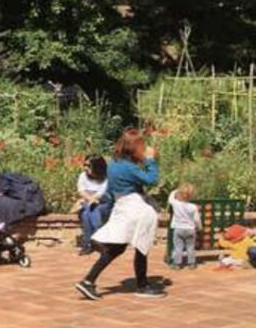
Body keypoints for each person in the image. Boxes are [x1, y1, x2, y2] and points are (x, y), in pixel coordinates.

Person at [73, 129, 164, 301]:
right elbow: (152, 180)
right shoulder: (128, 167)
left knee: (117, 248)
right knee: (141, 245)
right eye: (141, 146)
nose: (143, 149)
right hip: (135, 209)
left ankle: (88, 281)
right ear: (133, 147)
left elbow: (112, 189)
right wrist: (151, 161)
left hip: (122, 207)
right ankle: (142, 286)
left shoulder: (114, 164)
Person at [76, 155, 109, 255]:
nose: (85, 167)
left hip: (104, 203)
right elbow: (81, 190)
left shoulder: (106, 177)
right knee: (87, 213)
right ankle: (98, 241)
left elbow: (102, 193)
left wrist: (92, 199)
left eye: (88, 165)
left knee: (90, 212)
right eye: (84, 164)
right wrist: (91, 199)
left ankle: (88, 244)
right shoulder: (83, 176)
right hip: (88, 202)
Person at [168, 183, 201, 270]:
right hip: (190, 229)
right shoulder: (193, 206)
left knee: (178, 247)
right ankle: (191, 263)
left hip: (178, 228)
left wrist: (175, 191)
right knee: (190, 247)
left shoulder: (176, 204)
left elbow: (170, 198)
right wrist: (199, 227)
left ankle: (177, 264)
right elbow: (197, 219)